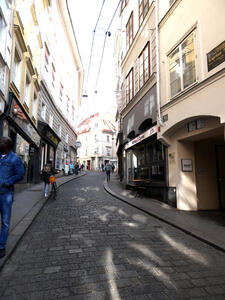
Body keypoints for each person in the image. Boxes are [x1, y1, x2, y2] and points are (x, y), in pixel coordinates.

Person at [0, 137, 24, 258]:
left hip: (6, 194)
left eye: (1, 141)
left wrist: (8, 182)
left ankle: (1, 246)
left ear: (7, 145)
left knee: (5, 221)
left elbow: (20, 174)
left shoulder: (15, 159)